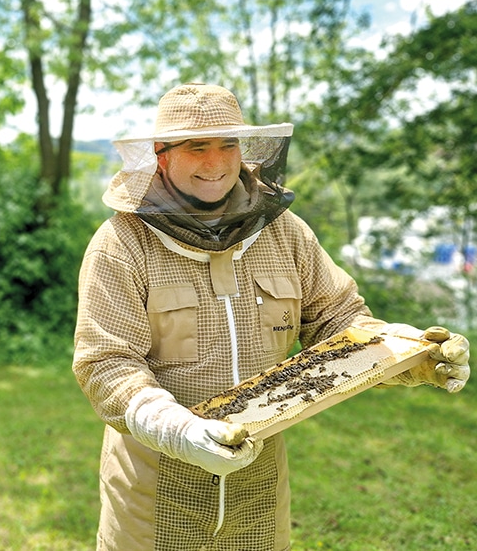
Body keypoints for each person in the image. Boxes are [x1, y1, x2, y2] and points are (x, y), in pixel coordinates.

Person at [72, 82, 470, 550]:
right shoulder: (122, 243)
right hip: (154, 489)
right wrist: (179, 431)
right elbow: (107, 362)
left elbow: (339, 319)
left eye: (228, 145)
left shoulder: (287, 234)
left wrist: (407, 353)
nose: (216, 162)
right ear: (162, 155)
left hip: (259, 488)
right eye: (197, 147)